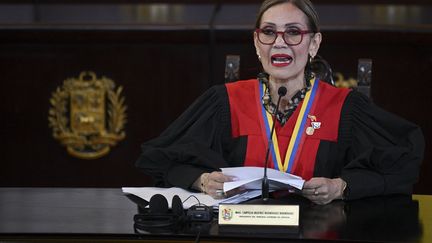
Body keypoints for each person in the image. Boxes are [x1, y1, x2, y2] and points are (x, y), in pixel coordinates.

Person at [136, 0, 424, 205]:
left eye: (294, 32)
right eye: (269, 32)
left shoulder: (345, 107)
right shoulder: (224, 101)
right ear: (256, 42)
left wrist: (340, 187)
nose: (279, 42)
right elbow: (163, 159)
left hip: (320, 233)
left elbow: (403, 164)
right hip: (241, 234)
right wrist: (202, 180)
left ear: (314, 44)